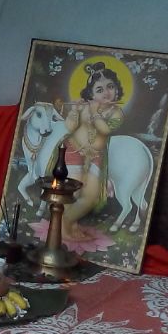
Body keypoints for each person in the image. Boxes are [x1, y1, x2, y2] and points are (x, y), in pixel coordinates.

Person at [60, 62, 126, 240]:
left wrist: (95, 113)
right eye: (99, 90)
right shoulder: (83, 107)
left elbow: (105, 130)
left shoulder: (117, 112)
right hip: (74, 151)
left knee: (91, 197)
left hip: (96, 157)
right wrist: (74, 110)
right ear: (90, 94)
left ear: (117, 89)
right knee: (71, 192)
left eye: (110, 86)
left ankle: (64, 223)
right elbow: (69, 126)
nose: (106, 92)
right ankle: (69, 228)